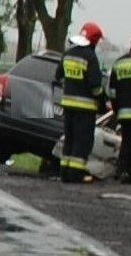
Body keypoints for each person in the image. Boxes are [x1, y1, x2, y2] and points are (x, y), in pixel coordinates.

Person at [54, 21, 106, 184]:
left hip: (68, 105)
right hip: (85, 108)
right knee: (82, 141)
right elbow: (95, 86)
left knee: (69, 139)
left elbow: (58, 76)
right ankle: (76, 175)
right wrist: (103, 103)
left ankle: (65, 173)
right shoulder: (90, 57)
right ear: (94, 40)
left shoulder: (68, 54)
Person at [108, 40, 131, 183]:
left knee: (126, 142)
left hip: (123, 112)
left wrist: (117, 109)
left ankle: (122, 170)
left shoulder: (119, 63)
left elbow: (112, 92)